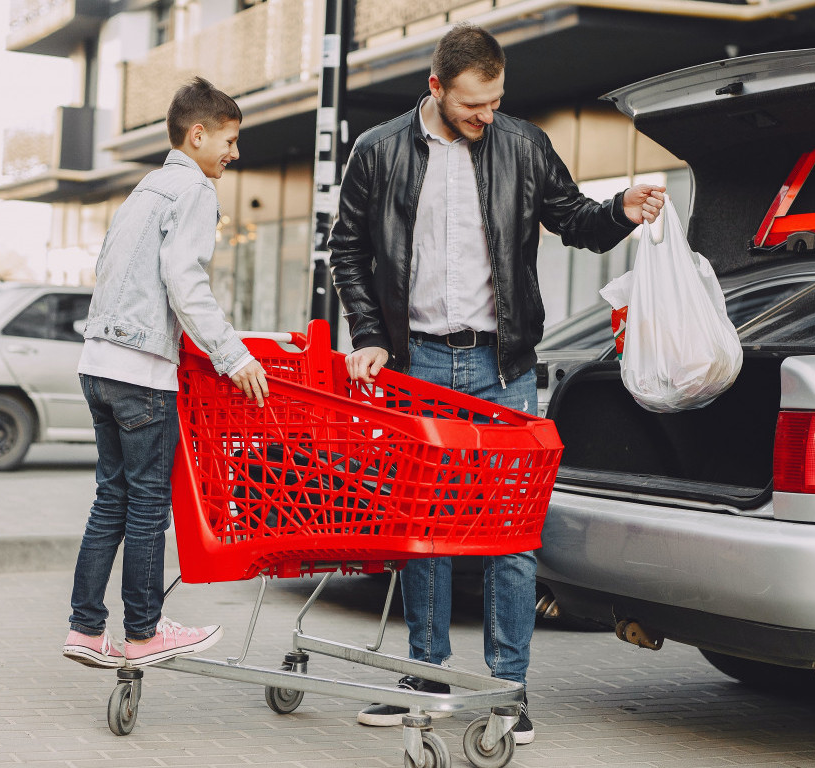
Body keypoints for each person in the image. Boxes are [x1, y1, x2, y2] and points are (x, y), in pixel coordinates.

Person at [327, 23, 666, 744]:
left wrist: (620, 213)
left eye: (496, 100)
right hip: (414, 364)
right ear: (437, 88)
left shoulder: (523, 144)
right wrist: (366, 336)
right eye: (474, 105)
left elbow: (572, 218)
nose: (487, 116)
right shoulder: (379, 151)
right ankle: (427, 676)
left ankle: (507, 690)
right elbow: (347, 251)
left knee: (511, 536)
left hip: (501, 365)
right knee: (425, 533)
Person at [62, 77, 270, 670]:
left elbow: (111, 270)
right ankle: (146, 633)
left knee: (111, 499)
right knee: (150, 505)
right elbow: (186, 280)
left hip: (98, 362)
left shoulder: (144, 191)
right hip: (141, 372)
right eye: (229, 140)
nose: (234, 153)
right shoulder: (194, 191)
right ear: (197, 135)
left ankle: (84, 628)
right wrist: (234, 356)